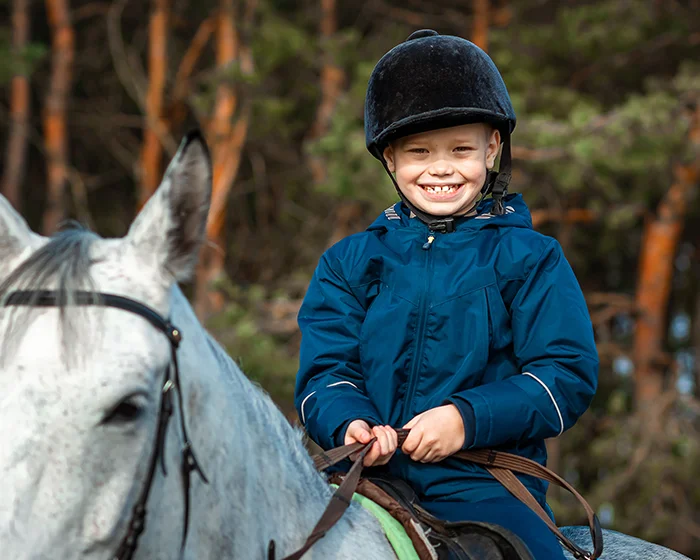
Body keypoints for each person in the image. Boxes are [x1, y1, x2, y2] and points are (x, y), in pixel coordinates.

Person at [294, 29, 598, 559]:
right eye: (419, 151)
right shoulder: (348, 263)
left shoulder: (531, 257)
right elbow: (326, 372)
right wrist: (350, 421)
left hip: (483, 484)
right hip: (366, 477)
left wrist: (465, 419)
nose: (440, 167)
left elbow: (564, 374)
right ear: (390, 158)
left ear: (493, 148)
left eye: (461, 149)